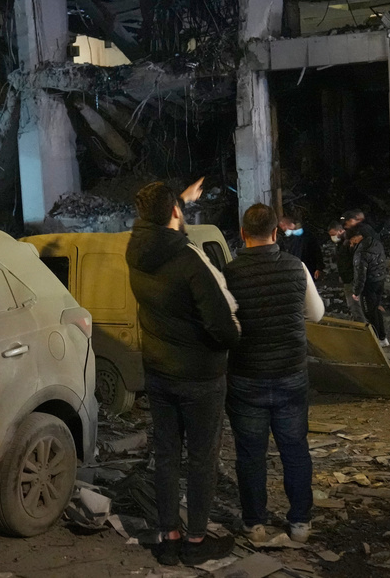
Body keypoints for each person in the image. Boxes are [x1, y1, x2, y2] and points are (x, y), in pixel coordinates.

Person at [126, 178, 241, 567]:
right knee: (201, 459)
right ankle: (195, 540)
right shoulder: (188, 259)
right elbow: (222, 324)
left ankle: (168, 537)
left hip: (158, 372)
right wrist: (228, 342)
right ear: (175, 211)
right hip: (199, 377)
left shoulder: (136, 252)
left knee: (166, 455)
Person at [222, 204, 324, 544]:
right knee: (294, 449)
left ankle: (254, 523)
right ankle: (299, 523)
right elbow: (317, 314)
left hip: (246, 375)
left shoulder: (230, 274)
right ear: (275, 232)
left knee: (250, 454)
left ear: (242, 234)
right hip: (290, 374)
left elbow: (223, 324)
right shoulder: (296, 268)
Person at [351, 230, 389, 346]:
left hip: (369, 284)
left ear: (357, 237)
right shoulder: (376, 244)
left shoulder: (362, 251)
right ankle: (382, 338)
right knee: (376, 309)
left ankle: (376, 341)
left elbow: (360, 274)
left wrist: (356, 291)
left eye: (352, 240)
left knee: (369, 313)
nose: (351, 243)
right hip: (379, 280)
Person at [327, 221, 365, 322]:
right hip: (347, 278)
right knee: (354, 304)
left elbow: (355, 261)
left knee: (355, 304)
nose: (333, 237)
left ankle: (362, 326)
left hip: (352, 278)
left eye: (334, 234)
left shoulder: (349, 243)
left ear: (341, 230)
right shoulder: (341, 244)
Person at [278, 213, 324, 279]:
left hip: (307, 268)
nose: (283, 229)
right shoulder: (289, 239)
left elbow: (316, 251)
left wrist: (319, 267)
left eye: (283, 226)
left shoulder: (306, 236)